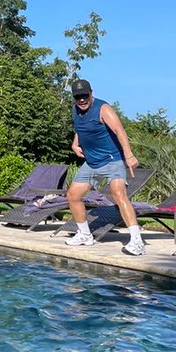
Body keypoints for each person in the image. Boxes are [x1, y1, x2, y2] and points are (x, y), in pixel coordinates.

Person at [65, 78, 145, 256]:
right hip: (92, 162)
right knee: (73, 195)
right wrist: (75, 143)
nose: (82, 100)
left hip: (111, 160)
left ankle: (137, 241)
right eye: (78, 97)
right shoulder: (76, 110)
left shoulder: (103, 109)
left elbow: (119, 131)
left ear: (91, 93)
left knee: (118, 193)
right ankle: (85, 235)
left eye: (85, 96)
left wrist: (129, 155)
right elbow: (79, 128)